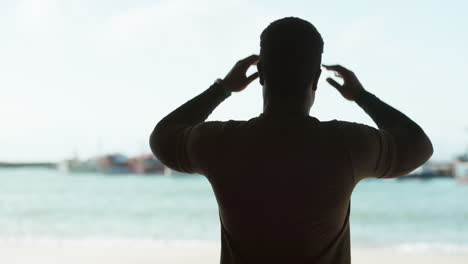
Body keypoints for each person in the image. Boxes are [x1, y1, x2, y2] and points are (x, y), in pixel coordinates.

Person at [149, 17, 433, 264]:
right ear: (317, 79)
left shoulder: (219, 141)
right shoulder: (347, 144)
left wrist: (222, 88)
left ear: (260, 75)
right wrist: (362, 96)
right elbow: (418, 146)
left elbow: (163, 136)